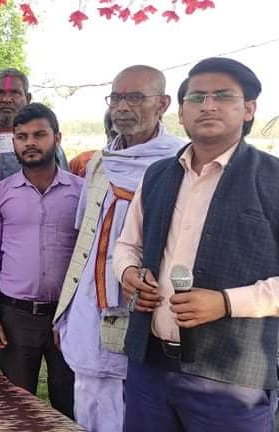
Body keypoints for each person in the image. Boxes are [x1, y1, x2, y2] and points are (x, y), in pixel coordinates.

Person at [115, 57, 278, 431]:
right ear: (180, 111)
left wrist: (226, 302)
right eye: (197, 97)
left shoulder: (272, 179)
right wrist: (128, 273)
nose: (208, 105)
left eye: (223, 96)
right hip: (149, 365)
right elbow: (127, 245)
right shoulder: (157, 175)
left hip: (230, 379)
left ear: (248, 109)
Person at [54, 65, 185, 432]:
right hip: (91, 299)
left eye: (135, 97)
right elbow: (85, 236)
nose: (123, 107)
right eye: (117, 97)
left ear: (163, 104)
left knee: (141, 400)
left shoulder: (178, 161)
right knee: (90, 396)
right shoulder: (100, 161)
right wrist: (67, 308)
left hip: (146, 298)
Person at [0, 103, 80, 419]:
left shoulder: (81, 193)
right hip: (16, 316)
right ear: (14, 142)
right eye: (22, 137)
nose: (30, 143)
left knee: (69, 406)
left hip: (68, 316)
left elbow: (89, 256)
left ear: (57, 138)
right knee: (17, 409)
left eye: (39, 135)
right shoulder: (0, 193)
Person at [0, 68, 68, 181]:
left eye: (15, 93)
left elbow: (65, 184)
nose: (6, 99)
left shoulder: (48, 143)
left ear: (28, 99)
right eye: (0, 93)